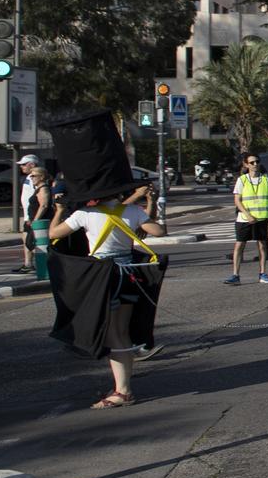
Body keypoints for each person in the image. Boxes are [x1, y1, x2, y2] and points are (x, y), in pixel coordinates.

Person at [50, 183, 166, 406]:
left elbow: (54, 233)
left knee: (114, 335)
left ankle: (122, 391)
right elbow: (159, 231)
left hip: (104, 275)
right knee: (121, 331)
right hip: (129, 272)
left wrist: (59, 211)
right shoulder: (130, 211)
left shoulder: (85, 213)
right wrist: (150, 203)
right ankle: (123, 387)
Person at [224, 152, 268, 284]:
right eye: (252, 162)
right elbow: (237, 200)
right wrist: (247, 215)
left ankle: (263, 273)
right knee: (239, 245)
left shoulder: (266, 178)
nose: (255, 164)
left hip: (262, 218)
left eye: (257, 162)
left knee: (262, 245)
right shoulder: (242, 180)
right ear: (246, 164)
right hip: (244, 219)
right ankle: (235, 275)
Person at [14, 154, 43, 272]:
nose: (21, 167)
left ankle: (37, 264)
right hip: (28, 215)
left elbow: (40, 199)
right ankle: (28, 264)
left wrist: (33, 218)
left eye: (23, 164)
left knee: (32, 241)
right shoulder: (29, 177)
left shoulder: (34, 178)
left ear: (32, 165)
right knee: (26, 239)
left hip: (32, 216)